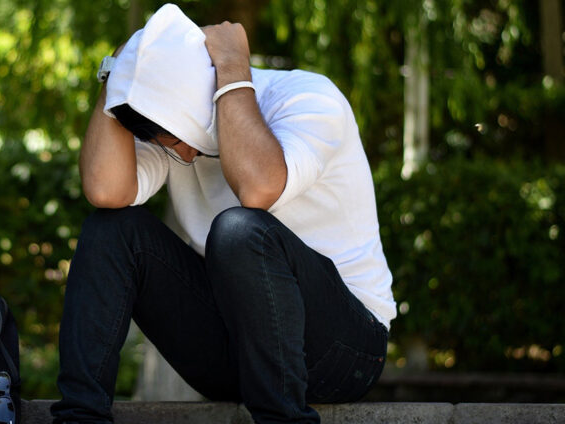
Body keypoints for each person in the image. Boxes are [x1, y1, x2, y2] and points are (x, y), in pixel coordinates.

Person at [50, 4, 396, 423]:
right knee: (113, 228)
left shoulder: (308, 98)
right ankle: (79, 417)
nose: (181, 151)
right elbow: (106, 191)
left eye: (177, 136)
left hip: (344, 350)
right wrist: (120, 73)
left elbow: (258, 188)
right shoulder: (173, 128)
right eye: (165, 140)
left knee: (239, 230)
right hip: (236, 350)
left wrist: (231, 67)